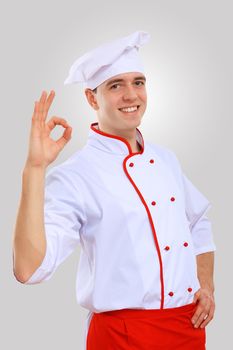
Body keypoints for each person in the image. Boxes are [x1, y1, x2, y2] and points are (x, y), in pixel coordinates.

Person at [12, 31, 216, 350]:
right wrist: (34, 170)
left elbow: (199, 222)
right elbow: (29, 269)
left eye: (138, 82)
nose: (131, 95)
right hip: (122, 337)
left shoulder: (166, 159)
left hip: (186, 329)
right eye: (115, 85)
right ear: (92, 99)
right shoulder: (76, 175)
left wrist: (206, 283)